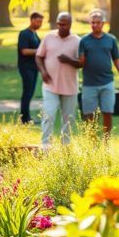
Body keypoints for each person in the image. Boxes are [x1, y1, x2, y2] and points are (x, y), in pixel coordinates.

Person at [68, 10, 119, 137]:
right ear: (90, 23)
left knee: (107, 111)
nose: (95, 25)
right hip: (89, 83)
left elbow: (116, 58)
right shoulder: (84, 41)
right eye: (92, 22)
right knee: (90, 114)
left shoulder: (111, 40)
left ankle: (106, 140)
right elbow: (81, 62)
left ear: (103, 23)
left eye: (97, 23)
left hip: (107, 82)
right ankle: (93, 141)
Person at [36, 12, 80, 146]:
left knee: (68, 119)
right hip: (50, 85)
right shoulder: (48, 37)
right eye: (59, 24)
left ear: (70, 25)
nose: (61, 27)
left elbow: (82, 62)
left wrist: (69, 60)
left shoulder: (77, 41)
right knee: (48, 115)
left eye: (64, 24)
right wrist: (43, 72)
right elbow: (39, 56)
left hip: (70, 86)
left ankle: (66, 146)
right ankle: (46, 145)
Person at [17, 12, 44, 124]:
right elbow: (24, 50)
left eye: (41, 22)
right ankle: (24, 118)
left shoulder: (35, 34)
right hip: (26, 67)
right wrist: (40, 51)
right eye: (38, 21)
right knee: (27, 92)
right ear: (32, 20)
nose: (40, 24)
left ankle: (27, 117)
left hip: (34, 67)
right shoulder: (24, 33)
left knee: (31, 92)